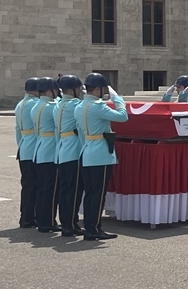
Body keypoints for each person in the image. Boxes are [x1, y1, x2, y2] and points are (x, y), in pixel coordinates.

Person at [74, 73, 128, 241]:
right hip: (100, 155)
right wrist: (118, 100)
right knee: (98, 194)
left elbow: (81, 133)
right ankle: (94, 228)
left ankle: (90, 226)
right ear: (97, 89)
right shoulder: (97, 106)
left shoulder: (79, 106)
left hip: (87, 152)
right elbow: (122, 116)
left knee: (90, 193)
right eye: (102, 89)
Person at [54, 75, 86, 236]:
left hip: (62, 150)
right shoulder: (75, 105)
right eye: (79, 88)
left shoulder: (58, 105)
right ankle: (71, 224)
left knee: (65, 189)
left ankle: (66, 222)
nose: (81, 91)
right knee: (74, 190)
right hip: (74, 150)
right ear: (72, 89)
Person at [29, 77, 61, 233]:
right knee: (51, 189)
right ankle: (48, 221)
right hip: (50, 151)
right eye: (55, 90)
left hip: (40, 148)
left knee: (43, 188)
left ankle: (42, 220)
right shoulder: (51, 106)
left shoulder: (35, 106)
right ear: (49, 91)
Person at [15, 78, 40, 228]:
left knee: (27, 185)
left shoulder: (20, 105)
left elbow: (17, 130)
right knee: (34, 185)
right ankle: (30, 216)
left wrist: (21, 144)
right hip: (33, 148)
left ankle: (25, 215)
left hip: (24, 146)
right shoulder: (35, 104)